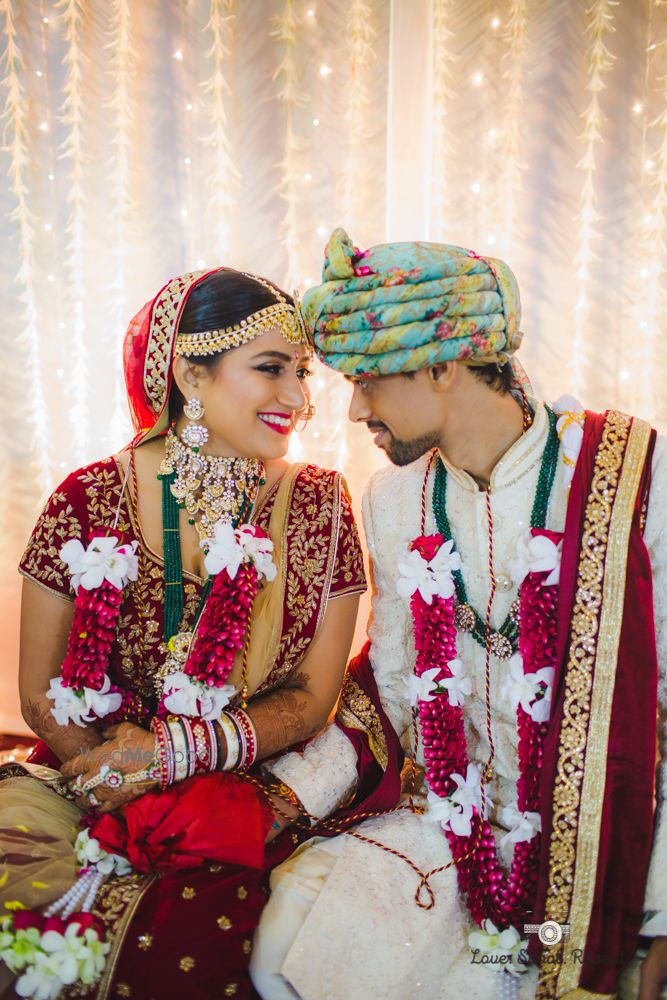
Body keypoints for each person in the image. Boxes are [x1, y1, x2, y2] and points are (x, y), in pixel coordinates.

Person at [251, 230, 667, 1000]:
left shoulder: (633, 477)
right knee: (289, 939)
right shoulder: (394, 498)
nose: (355, 411)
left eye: (369, 380)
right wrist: (270, 799)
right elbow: (395, 684)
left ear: (444, 366)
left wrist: (662, 915)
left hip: (602, 856)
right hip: (449, 831)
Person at [0, 267, 367, 1000]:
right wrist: (112, 783)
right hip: (85, 779)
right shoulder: (87, 498)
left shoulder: (321, 506)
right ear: (189, 374)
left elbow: (312, 699)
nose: (297, 399)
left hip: (247, 797)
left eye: (302, 373)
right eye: (270, 370)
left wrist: (174, 760)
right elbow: (43, 694)